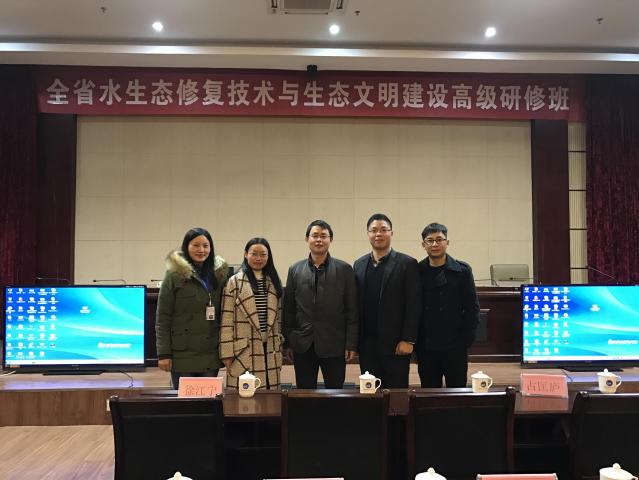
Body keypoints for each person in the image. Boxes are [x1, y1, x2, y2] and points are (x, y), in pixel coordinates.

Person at [283, 219, 358, 389]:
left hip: (335, 344)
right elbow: (289, 310)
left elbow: (352, 310)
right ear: (307, 239)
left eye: (323, 236)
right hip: (303, 345)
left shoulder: (345, 270)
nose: (319, 239)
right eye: (315, 235)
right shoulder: (295, 270)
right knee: (304, 394)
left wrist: (351, 343)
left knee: (336, 393)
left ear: (331, 239)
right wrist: (288, 342)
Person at [353, 213, 421, 388]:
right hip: (367, 345)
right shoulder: (359, 264)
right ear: (368, 234)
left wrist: (408, 339)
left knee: (396, 394)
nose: (378, 234)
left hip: (396, 345)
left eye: (383, 230)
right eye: (374, 230)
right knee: (370, 393)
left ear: (391, 233)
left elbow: (414, 304)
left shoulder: (407, 263)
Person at [156, 227, 229, 389]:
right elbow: (163, 317)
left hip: (210, 352)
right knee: (185, 401)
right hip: (182, 355)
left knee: (208, 400)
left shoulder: (219, 274)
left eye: (205, 245)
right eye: (196, 245)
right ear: (186, 247)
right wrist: (163, 354)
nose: (201, 250)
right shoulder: (174, 274)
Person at [416, 222, 480, 388]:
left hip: (455, 346)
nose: (435, 244)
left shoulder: (462, 270)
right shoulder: (417, 270)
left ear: (447, 242)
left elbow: (472, 308)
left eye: (439, 239)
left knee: (457, 392)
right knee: (428, 393)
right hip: (426, 346)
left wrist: (465, 340)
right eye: (430, 240)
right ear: (423, 244)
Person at [219, 237, 284, 389]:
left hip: (270, 348)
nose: (258, 258)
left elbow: (279, 319)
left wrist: (280, 343)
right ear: (245, 254)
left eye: (263, 254)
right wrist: (227, 353)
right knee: (244, 396)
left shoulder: (274, 282)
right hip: (244, 350)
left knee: (270, 395)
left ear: (268, 256)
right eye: (254, 254)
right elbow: (226, 320)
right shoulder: (234, 282)